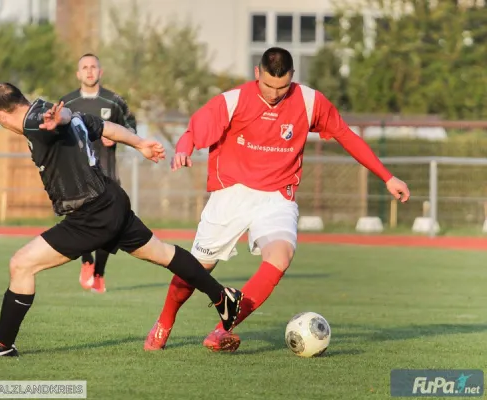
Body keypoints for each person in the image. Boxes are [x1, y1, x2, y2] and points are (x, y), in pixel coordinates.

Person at [144, 47, 411, 352]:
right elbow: (196, 127)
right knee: (197, 268)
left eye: (281, 87)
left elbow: (346, 135)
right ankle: (164, 322)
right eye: (268, 86)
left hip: (277, 198)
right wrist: (184, 148)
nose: (273, 94)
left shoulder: (310, 101)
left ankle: (221, 331)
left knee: (280, 258)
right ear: (257, 74)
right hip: (231, 194)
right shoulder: (234, 100)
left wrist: (387, 177)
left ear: (292, 78)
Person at [0, 82, 243, 357]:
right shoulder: (55, 111)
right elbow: (105, 127)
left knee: (21, 264)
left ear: (1, 117)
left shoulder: (39, 120)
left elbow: (53, 120)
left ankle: (2, 346)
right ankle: (222, 296)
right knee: (163, 253)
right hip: (111, 200)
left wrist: (58, 118)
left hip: (91, 214)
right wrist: (140, 143)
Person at [60, 53, 137, 294]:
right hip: (78, 176)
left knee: (111, 225)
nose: (89, 71)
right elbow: (56, 132)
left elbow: (132, 127)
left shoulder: (114, 101)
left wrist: (115, 136)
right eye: (85, 67)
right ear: (78, 73)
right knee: (80, 221)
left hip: (108, 174)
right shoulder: (67, 102)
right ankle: (86, 261)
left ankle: (100, 273)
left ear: (100, 72)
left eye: (94, 67)